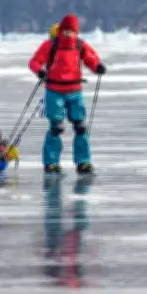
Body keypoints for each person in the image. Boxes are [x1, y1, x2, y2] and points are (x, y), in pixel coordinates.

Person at [28, 14, 106, 174]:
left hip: (75, 92)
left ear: (76, 32)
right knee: (56, 127)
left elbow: (92, 59)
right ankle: (51, 162)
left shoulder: (80, 45)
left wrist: (98, 66)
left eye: (72, 32)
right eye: (66, 31)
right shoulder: (51, 45)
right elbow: (34, 62)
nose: (68, 35)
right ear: (61, 30)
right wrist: (40, 71)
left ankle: (83, 161)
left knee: (80, 127)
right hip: (54, 91)